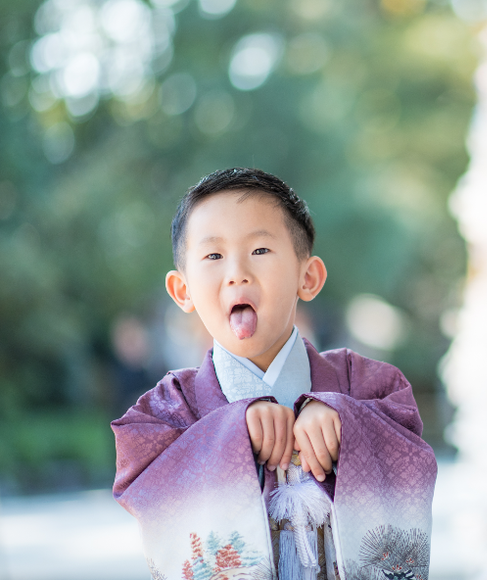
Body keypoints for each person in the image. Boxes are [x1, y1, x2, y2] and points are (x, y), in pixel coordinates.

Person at [112, 168, 436, 580]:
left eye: (260, 250)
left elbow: (407, 443)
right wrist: (231, 431)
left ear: (309, 277)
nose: (237, 273)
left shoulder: (366, 386)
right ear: (183, 291)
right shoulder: (168, 411)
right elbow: (144, 480)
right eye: (213, 256)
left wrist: (344, 420)